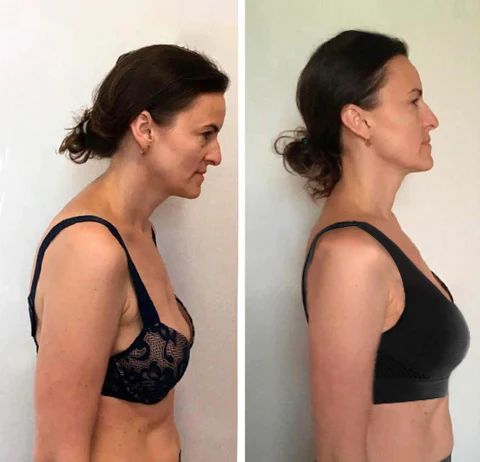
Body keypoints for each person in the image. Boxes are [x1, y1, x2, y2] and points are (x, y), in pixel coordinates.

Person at [27, 44, 228, 462]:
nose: (216, 155)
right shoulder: (90, 249)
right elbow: (58, 451)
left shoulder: (138, 230)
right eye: (205, 134)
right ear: (145, 129)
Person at [275, 30, 469, 462]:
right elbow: (337, 452)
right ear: (359, 121)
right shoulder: (350, 253)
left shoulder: (383, 228)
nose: (431, 119)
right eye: (413, 101)